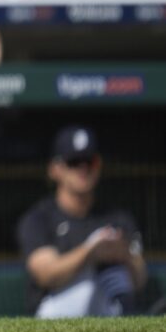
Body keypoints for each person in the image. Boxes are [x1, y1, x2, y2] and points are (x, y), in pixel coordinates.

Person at [17, 127, 147, 318]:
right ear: (55, 169)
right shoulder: (39, 218)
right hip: (54, 311)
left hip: (108, 308)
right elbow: (46, 274)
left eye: (89, 161)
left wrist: (125, 255)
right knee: (90, 277)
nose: (83, 169)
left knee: (114, 271)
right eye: (74, 162)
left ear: (98, 165)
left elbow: (139, 280)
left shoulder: (117, 217)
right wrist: (90, 252)